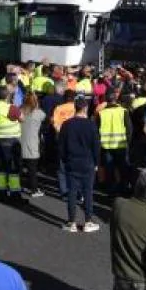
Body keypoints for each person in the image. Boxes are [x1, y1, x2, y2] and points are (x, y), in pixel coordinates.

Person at [59, 96, 100, 232]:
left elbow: (61, 146)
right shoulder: (91, 125)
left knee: (72, 192)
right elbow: (96, 147)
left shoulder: (66, 124)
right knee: (88, 192)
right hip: (88, 162)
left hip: (72, 161)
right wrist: (96, 162)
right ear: (86, 108)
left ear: (75, 107)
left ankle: (71, 222)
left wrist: (64, 160)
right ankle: (88, 221)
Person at [0, 86, 24, 201]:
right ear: (7, 96)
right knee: (13, 169)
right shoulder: (10, 108)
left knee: (0, 168)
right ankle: (15, 194)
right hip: (9, 141)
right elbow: (22, 118)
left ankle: (0, 191)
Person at [98, 92, 131, 194]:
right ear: (116, 99)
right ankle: (124, 189)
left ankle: (110, 191)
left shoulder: (101, 113)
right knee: (123, 169)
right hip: (121, 145)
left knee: (109, 169)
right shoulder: (123, 111)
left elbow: (97, 130)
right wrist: (127, 142)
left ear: (106, 100)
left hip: (106, 146)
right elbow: (129, 129)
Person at [19, 92, 46, 197]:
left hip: (20, 141)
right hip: (32, 143)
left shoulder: (20, 111)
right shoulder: (39, 113)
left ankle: (18, 185)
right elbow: (47, 121)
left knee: (19, 168)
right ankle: (34, 190)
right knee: (32, 169)